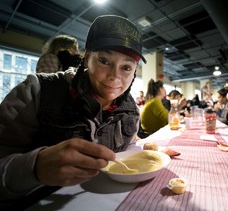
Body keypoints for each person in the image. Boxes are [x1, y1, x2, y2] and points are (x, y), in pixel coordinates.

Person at [0, 15, 147, 209]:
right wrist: (35, 167)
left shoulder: (131, 109)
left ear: (134, 71)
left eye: (126, 67)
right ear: (87, 58)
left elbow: (129, 148)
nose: (114, 76)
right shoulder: (35, 92)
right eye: (104, 60)